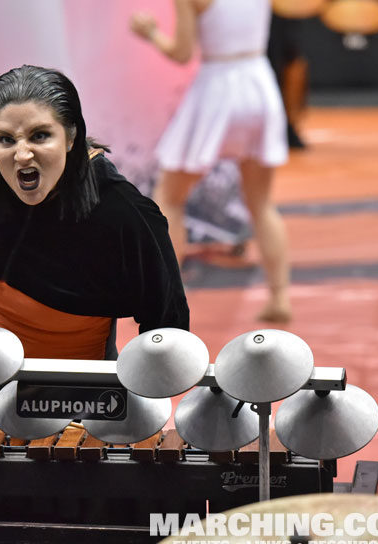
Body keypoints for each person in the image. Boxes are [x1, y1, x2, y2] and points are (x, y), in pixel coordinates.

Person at [0, 64, 189, 359]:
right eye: (5, 139)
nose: (22, 154)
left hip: (78, 385)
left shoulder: (124, 213)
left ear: (71, 137)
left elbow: (168, 323)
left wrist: (150, 390)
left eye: (40, 135)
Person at [130, 0, 293, 323]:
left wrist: (150, 33)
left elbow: (181, 52)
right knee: (261, 204)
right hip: (258, 83)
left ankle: (166, 298)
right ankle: (280, 297)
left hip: (216, 90)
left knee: (169, 199)